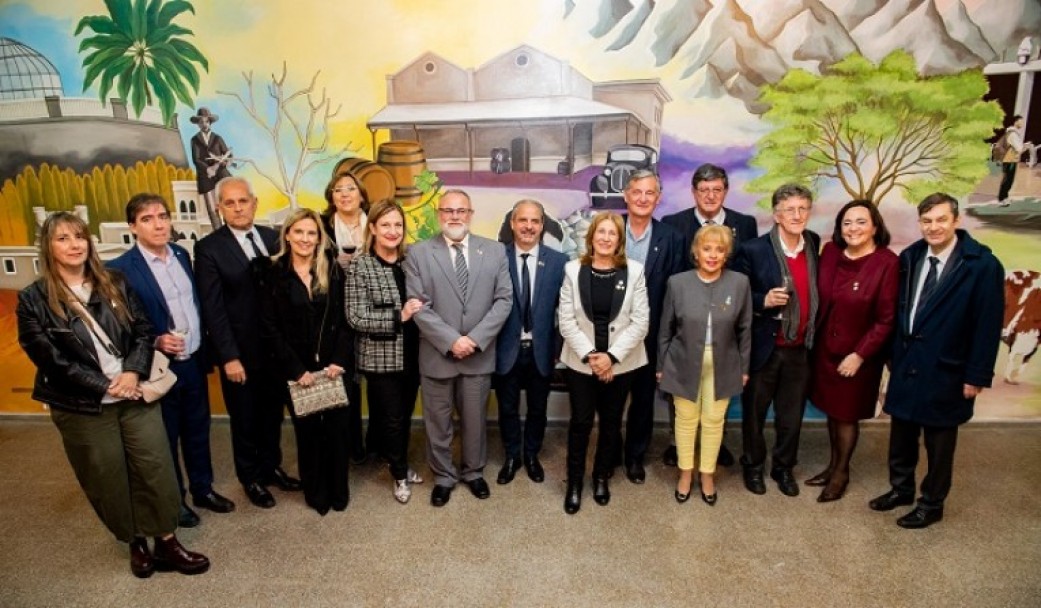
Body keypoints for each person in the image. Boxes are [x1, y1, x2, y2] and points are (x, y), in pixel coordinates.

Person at [17, 211, 209, 578]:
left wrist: (133, 372)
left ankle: (166, 541)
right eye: (63, 239)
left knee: (155, 467)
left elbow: (143, 330)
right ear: (48, 247)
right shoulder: (34, 299)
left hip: (135, 395)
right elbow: (51, 360)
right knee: (108, 477)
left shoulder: (114, 282)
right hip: (84, 407)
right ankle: (135, 540)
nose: (74, 245)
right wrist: (106, 385)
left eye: (79, 236)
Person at [869, 193, 1004, 529]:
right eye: (927, 221)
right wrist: (891, 358)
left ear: (956, 220)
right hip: (908, 364)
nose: (934, 227)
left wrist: (976, 375)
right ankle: (901, 489)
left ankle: (932, 502)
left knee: (939, 442)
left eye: (941, 220)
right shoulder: (911, 256)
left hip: (947, 368)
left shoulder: (981, 265)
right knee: (901, 435)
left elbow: (987, 325)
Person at [108, 194, 236, 529]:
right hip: (157, 369)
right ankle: (174, 500)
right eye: (147, 218)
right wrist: (155, 340)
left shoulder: (181, 254)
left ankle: (202, 489)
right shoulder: (121, 270)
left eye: (163, 216)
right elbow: (118, 328)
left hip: (192, 360)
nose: (159, 224)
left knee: (197, 429)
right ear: (132, 226)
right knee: (165, 437)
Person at [195, 176, 301, 509]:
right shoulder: (209, 248)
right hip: (240, 352)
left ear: (255, 203)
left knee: (273, 415)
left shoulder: (274, 238)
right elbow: (213, 309)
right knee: (245, 419)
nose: (238, 208)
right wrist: (229, 356)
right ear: (219, 208)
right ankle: (251, 478)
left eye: (244, 201)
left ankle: (271, 468)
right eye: (230, 203)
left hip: (275, 351)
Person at [404, 189, 512, 507]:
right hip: (437, 354)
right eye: (448, 211)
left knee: (475, 420)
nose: (455, 216)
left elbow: (503, 300)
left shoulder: (493, 252)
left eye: (461, 211)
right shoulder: (419, 253)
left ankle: (473, 473)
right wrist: (452, 341)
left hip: (478, 355)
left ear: (470, 214)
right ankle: (443, 477)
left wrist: (474, 340)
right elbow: (417, 305)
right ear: (439, 215)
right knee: (437, 421)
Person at [660, 163, 758, 468]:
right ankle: (680, 445)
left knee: (718, 393)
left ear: (725, 191)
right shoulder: (673, 223)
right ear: (693, 192)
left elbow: (746, 273)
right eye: (704, 190)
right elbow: (672, 271)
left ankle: (714, 445)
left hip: (726, 314)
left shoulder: (746, 223)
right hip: (686, 314)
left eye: (717, 189)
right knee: (683, 389)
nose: (711, 195)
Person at [258, 208, 352, 515]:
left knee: (338, 432)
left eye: (311, 233)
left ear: (319, 238)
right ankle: (317, 493)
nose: (305, 239)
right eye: (298, 232)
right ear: (287, 234)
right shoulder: (271, 273)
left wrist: (339, 360)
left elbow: (344, 319)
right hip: (295, 370)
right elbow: (268, 327)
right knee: (309, 434)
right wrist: (296, 370)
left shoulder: (333, 270)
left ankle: (339, 492)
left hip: (332, 368)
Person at [731, 183, 820, 497]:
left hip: (799, 349)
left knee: (790, 416)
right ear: (777, 215)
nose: (797, 215)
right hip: (764, 347)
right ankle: (753, 466)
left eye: (802, 209)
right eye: (790, 210)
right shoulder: (753, 250)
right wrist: (763, 300)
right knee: (754, 414)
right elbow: (736, 295)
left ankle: (783, 468)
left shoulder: (813, 243)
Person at [806, 201, 898, 502]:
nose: (853, 228)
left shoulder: (887, 263)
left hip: (857, 358)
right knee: (833, 412)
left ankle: (841, 473)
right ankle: (832, 465)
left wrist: (859, 355)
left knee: (846, 416)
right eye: (847, 222)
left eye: (861, 222)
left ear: (875, 226)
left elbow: (886, 319)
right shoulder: (830, 252)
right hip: (824, 351)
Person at [559, 212, 649, 514]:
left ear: (620, 240)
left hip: (621, 364)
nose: (606, 238)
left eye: (613, 233)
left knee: (611, 423)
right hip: (581, 363)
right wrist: (592, 356)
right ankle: (574, 483)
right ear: (591, 237)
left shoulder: (635, 272)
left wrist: (610, 357)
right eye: (601, 232)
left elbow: (641, 322)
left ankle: (600, 478)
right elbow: (566, 320)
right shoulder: (573, 270)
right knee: (581, 423)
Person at [658, 225, 751, 505]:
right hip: (681, 362)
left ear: (727, 254)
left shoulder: (739, 283)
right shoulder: (678, 283)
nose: (712, 255)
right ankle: (685, 473)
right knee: (685, 422)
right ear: (695, 252)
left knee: (713, 422)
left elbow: (745, 329)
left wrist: (744, 368)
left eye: (719, 250)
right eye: (707, 249)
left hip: (724, 364)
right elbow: (665, 329)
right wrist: (662, 366)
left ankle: (707, 474)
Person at [344, 199, 426, 503]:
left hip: (413, 355)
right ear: (374, 228)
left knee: (403, 415)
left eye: (398, 225)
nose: (393, 231)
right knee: (391, 418)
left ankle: (395, 458)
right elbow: (354, 316)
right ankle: (400, 473)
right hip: (379, 359)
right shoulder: (361, 265)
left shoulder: (410, 261)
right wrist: (398, 316)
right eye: (386, 225)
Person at [493, 199, 568, 485]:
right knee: (507, 408)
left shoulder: (559, 262)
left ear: (542, 225)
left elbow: (567, 309)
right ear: (512, 223)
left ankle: (532, 454)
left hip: (541, 350)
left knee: (538, 408)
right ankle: (512, 455)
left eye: (535, 221)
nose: (528, 226)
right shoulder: (496, 257)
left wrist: (560, 347)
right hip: (506, 348)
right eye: (522, 220)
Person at [619, 170, 685, 484]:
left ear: (658, 199)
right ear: (626, 195)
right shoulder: (608, 229)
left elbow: (675, 293)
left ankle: (634, 457)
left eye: (650, 193)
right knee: (610, 401)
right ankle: (607, 454)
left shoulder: (671, 237)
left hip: (651, 334)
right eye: (637, 192)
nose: (643, 198)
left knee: (643, 402)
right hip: (611, 335)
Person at [320, 170, 368, 463]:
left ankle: (373, 442)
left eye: (351, 188)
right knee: (343, 376)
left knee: (377, 382)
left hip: (371, 305)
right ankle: (347, 444)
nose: (345, 194)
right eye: (338, 189)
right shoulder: (322, 225)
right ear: (331, 196)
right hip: (335, 309)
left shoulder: (375, 223)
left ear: (361, 193)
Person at [189, 107, 232, 228]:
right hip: (206, 178)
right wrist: (208, 169)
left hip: (221, 175)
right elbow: (196, 159)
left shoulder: (218, 138)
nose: (204, 124)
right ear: (198, 124)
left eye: (206, 121)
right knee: (213, 210)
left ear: (210, 122)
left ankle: (232, 231)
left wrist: (226, 161)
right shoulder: (195, 140)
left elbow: (227, 154)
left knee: (228, 204)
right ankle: (218, 233)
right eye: (201, 122)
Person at [998, 115, 1036, 205]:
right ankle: (1003, 198)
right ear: (1016, 122)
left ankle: (1004, 197)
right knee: (1008, 180)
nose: (1022, 123)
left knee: (1008, 179)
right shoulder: (1013, 134)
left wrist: (1025, 145)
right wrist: (1027, 146)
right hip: (1009, 159)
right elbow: (1019, 149)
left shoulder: (1011, 132)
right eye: (1021, 121)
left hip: (1010, 159)